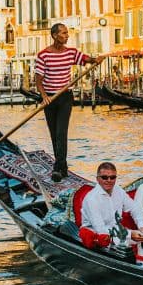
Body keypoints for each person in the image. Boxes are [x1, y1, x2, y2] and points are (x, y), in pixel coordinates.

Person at [33, 22, 101, 178]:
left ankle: (57, 168)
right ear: (55, 36)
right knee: (53, 133)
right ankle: (62, 167)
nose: (67, 35)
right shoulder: (43, 55)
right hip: (49, 97)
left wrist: (96, 60)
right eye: (63, 33)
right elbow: (38, 79)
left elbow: (85, 58)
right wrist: (44, 96)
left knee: (61, 132)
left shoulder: (70, 53)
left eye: (67, 33)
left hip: (64, 97)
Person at [80, 161, 143, 243]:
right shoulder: (91, 199)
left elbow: (134, 207)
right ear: (97, 179)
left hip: (117, 232)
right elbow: (100, 229)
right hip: (97, 235)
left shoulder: (118, 190)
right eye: (104, 177)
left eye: (112, 177)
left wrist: (141, 225)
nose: (109, 180)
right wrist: (129, 234)